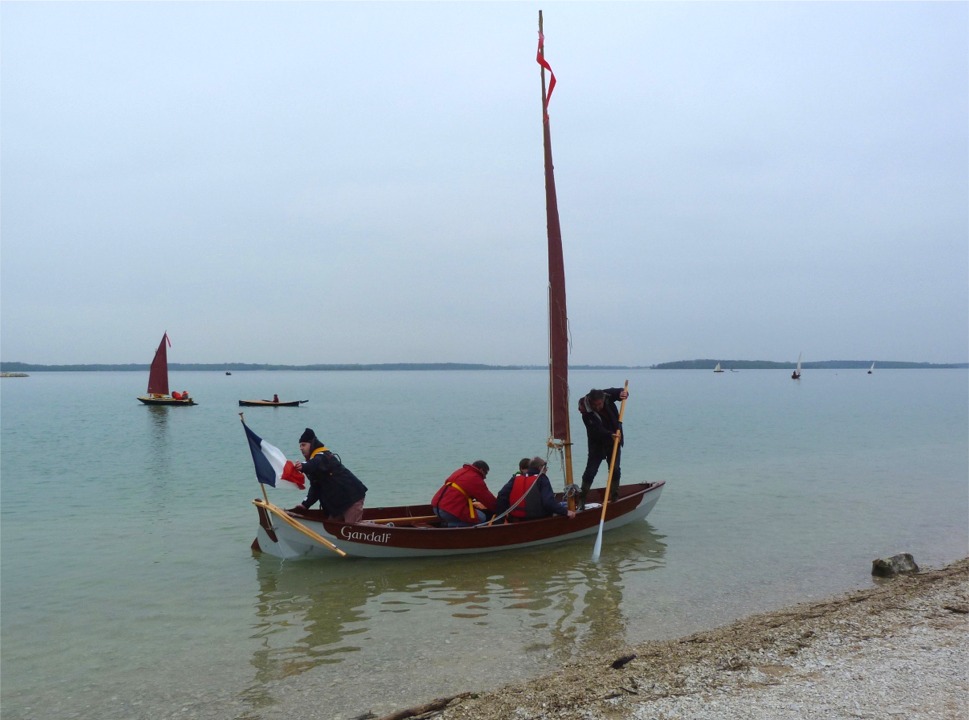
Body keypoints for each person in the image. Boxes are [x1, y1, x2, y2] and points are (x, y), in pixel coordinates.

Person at [290, 428, 368, 524]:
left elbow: (315, 463)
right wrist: (305, 505)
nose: (301, 448)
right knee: (331, 526)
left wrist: (302, 466)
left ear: (312, 443)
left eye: (304, 445)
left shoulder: (323, 456)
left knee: (351, 529)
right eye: (300, 445)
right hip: (338, 504)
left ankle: (386, 529)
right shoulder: (313, 463)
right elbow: (316, 488)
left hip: (352, 498)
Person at [577, 386, 628, 509]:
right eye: (595, 405)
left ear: (603, 399)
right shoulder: (586, 413)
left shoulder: (606, 396)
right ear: (590, 401)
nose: (597, 407)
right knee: (590, 472)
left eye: (599, 404)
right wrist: (610, 435)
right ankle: (581, 500)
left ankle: (614, 497)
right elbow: (597, 431)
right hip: (597, 444)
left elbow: (618, 392)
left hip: (614, 441)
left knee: (615, 469)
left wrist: (623, 393)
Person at [495, 456, 575, 521]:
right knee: (559, 508)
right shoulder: (542, 479)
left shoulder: (515, 479)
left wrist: (500, 520)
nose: (546, 469)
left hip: (516, 518)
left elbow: (501, 495)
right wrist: (566, 512)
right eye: (545, 467)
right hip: (537, 518)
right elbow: (548, 503)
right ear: (540, 467)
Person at [431, 461, 497, 527]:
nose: (485, 477)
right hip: (449, 511)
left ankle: (447, 524)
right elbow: (488, 500)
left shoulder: (460, 471)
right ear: (481, 470)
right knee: (481, 517)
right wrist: (499, 509)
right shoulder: (475, 478)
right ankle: (450, 526)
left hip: (436, 507)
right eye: (486, 473)